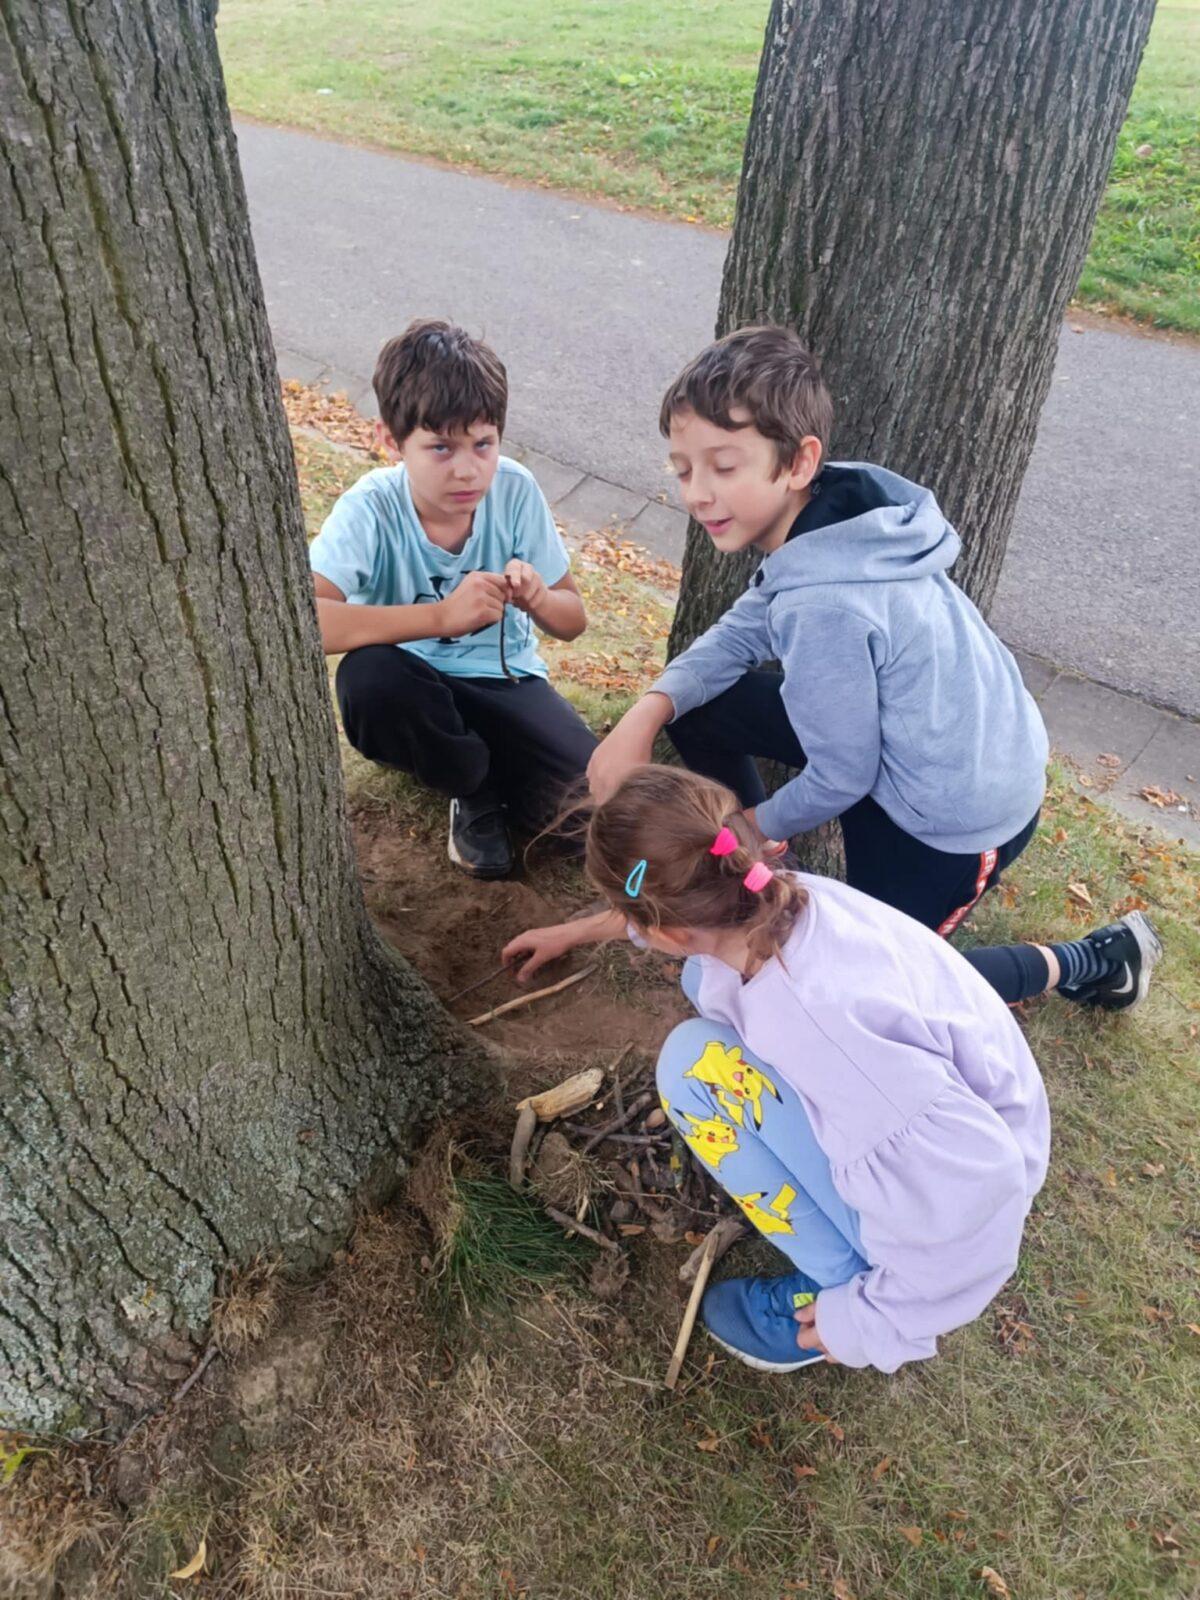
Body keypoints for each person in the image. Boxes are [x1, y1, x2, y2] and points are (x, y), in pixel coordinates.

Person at [501, 766, 1127, 1374]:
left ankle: (843, 1275)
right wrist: (580, 931)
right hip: (955, 1111)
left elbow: (972, 1199)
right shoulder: (777, 894)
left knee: (691, 1073)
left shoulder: (826, 1034)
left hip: (958, 1184)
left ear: (663, 930)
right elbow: (676, 902)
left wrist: (868, 1320)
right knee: (703, 983)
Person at [589, 323, 1049, 938]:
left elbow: (842, 775)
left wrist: (753, 828)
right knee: (701, 706)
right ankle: (765, 873)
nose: (697, 494)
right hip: (902, 742)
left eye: (723, 466)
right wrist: (643, 716)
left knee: (882, 966)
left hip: (951, 818)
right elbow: (739, 633)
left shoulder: (825, 605)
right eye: (682, 470)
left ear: (800, 461)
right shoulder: (837, 520)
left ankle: (1089, 963)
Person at [309, 318, 595, 878]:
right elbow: (307, 623)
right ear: (390, 441)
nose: (467, 469)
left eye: (482, 444)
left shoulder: (514, 490)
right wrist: (440, 616)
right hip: (413, 684)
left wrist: (538, 596)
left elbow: (573, 620)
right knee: (368, 678)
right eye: (440, 447)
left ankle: (509, 774)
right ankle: (475, 788)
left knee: (596, 815)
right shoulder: (371, 506)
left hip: (507, 683)